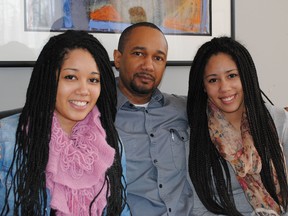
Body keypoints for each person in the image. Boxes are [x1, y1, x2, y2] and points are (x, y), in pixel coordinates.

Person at [0, 30, 129, 215]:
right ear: (48, 79)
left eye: (93, 80)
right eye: (71, 77)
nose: (84, 90)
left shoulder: (109, 143)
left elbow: (121, 209)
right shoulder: (7, 140)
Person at [113, 22, 212, 216]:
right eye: (138, 53)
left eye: (158, 58)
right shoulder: (95, 113)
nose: (148, 65)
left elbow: (232, 108)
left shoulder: (182, 109)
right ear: (118, 58)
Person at [187, 36, 288, 216]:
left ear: (246, 76)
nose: (224, 87)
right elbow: (198, 208)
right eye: (213, 80)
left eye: (232, 76)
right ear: (203, 86)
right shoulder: (193, 134)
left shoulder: (278, 120)